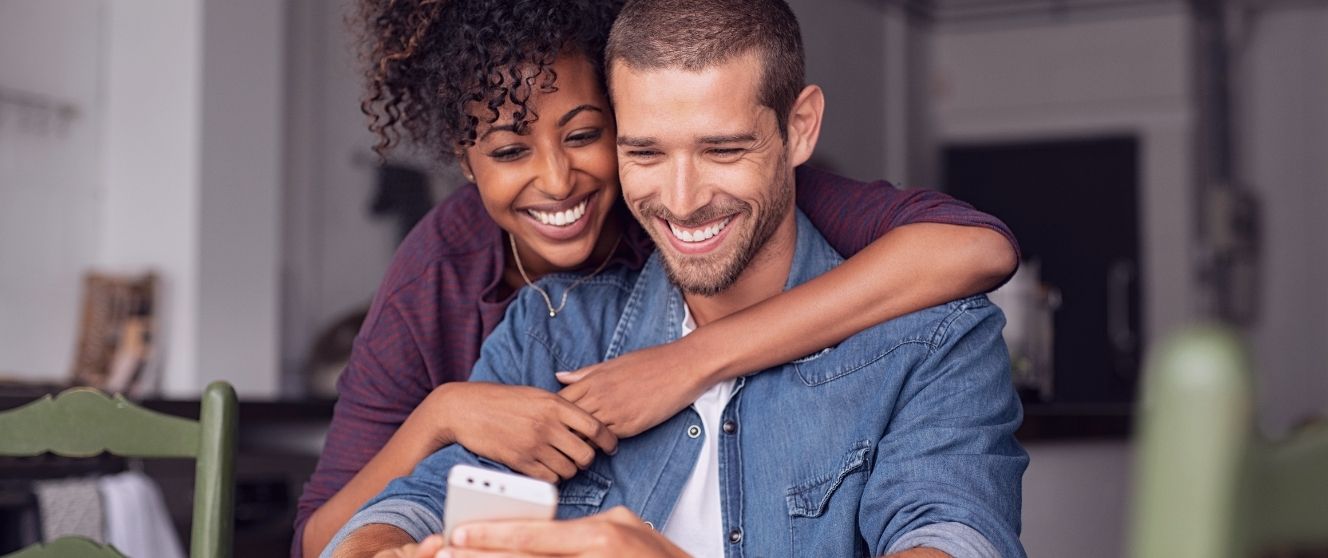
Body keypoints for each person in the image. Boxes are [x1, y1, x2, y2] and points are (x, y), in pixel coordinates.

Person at [296, 0, 1021, 555]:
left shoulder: (935, 340)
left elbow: (949, 527)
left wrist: (691, 362)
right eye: (645, 152)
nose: (681, 199)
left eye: (723, 148)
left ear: (799, 130)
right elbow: (396, 510)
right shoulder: (547, 325)